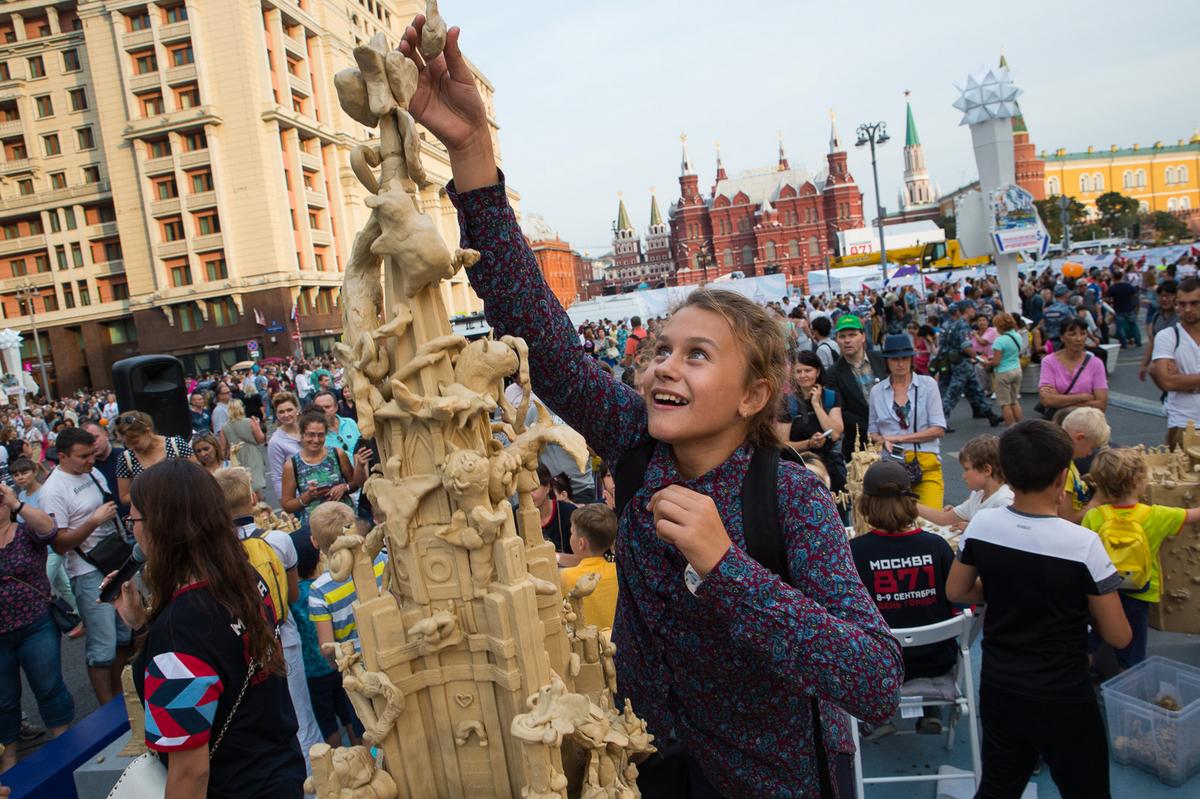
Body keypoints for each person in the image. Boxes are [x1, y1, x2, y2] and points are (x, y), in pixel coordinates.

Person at [405, 17, 902, 791]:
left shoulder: (789, 498)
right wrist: (471, 153)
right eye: (661, 349)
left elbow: (873, 679)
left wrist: (725, 564)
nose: (664, 366)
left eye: (697, 355)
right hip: (654, 772)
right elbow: (540, 334)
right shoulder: (636, 443)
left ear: (753, 394)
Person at [947, 420, 1130, 799]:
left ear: (1006, 473)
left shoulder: (983, 524)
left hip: (1000, 683)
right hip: (1064, 691)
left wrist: (1005, 588)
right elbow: (1118, 635)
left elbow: (958, 590)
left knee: (999, 785)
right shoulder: (1083, 544)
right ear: (1063, 477)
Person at [110, 460, 306, 796]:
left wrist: (154, 633)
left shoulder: (179, 633)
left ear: (161, 527)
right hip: (281, 769)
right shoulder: (247, 578)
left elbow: (191, 773)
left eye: (135, 520)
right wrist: (144, 626)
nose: (133, 529)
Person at [215, 466, 323, 767]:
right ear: (252, 498)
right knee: (301, 717)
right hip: (282, 638)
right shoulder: (278, 541)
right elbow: (290, 596)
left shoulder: (212, 551)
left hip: (239, 649)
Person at [849, 461, 955, 737]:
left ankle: (876, 716)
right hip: (936, 658)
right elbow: (956, 603)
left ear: (867, 505)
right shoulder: (937, 546)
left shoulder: (856, 552)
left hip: (881, 663)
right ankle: (929, 710)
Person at [1081, 448, 1200, 670]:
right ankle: (1131, 681)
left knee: (1090, 639)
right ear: (1138, 482)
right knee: (1133, 647)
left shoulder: (1094, 516)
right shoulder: (1155, 515)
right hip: (1140, 591)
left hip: (1101, 591)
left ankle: (1082, 678)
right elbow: (1193, 515)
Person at [39, 427, 128, 704]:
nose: (91, 459)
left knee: (124, 635)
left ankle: (121, 697)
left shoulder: (91, 471)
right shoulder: (53, 490)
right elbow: (59, 544)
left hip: (116, 559)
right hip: (87, 572)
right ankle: (107, 708)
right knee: (102, 646)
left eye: (92, 453)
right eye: (83, 456)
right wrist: (93, 521)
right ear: (62, 457)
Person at [0, 482, 73, 772]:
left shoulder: (25, 531)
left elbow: (49, 530)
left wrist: (16, 502)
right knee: (4, 700)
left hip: (35, 625)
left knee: (49, 686)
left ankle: (65, 747)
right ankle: (8, 758)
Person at [289, 531, 363, 748]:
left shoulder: (296, 596)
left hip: (314, 671)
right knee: (351, 712)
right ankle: (361, 751)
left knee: (327, 722)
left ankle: (339, 757)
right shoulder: (327, 585)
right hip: (340, 662)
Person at [868, 333, 947, 507]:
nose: (900, 363)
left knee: (930, 521)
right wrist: (882, 440)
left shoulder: (928, 385)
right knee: (896, 524)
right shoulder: (877, 391)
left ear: (912, 359)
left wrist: (896, 438)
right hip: (892, 466)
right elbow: (872, 431)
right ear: (887, 361)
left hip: (925, 462)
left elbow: (938, 429)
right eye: (895, 359)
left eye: (905, 358)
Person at [307, 502, 386, 655]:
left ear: (314, 542)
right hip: (394, 643)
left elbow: (328, 648)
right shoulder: (380, 559)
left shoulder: (319, 590)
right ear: (355, 528)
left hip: (356, 665)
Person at [775, 351, 845, 494]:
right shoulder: (787, 402)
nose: (803, 375)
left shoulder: (830, 397)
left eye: (808, 370)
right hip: (801, 466)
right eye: (798, 371)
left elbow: (836, 433)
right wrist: (808, 443)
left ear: (818, 371)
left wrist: (817, 405)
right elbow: (781, 442)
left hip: (830, 465)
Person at [280, 411, 366, 525]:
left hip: (345, 521)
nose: (316, 440)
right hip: (316, 527)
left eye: (321, 435)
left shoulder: (337, 454)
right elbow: (287, 505)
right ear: (302, 434)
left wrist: (344, 487)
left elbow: (355, 483)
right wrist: (308, 496)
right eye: (311, 434)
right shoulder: (292, 465)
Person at [916, 435, 1013, 529]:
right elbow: (943, 518)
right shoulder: (977, 495)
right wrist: (911, 504)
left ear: (987, 470)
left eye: (967, 469)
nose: (963, 476)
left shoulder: (1004, 501)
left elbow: (1005, 536)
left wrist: (972, 528)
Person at [824, 314, 886, 460]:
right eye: (842, 336)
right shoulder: (833, 373)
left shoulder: (881, 360)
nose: (847, 340)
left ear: (863, 336)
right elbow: (841, 411)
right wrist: (872, 431)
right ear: (837, 340)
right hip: (859, 443)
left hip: (892, 434)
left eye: (852, 335)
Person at [1150, 276, 1200, 450]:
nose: (1188, 309)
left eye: (1194, 303)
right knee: (1182, 474)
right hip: (1183, 421)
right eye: (1182, 304)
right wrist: (1174, 380)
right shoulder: (1167, 336)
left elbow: (1172, 380)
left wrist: (1183, 380)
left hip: (1184, 413)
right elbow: (1167, 381)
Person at [113, 411, 195, 507]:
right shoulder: (125, 459)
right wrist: (151, 493)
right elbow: (124, 498)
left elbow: (198, 475)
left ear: (147, 431)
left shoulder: (176, 444)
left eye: (135, 442)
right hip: (153, 516)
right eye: (127, 444)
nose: (131, 447)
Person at [939, 303, 1002, 427]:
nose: (974, 311)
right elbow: (966, 346)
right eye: (973, 308)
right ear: (967, 309)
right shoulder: (963, 325)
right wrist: (979, 358)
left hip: (950, 360)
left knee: (975, 388)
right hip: (961, 362)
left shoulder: (948, 325)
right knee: (954, 392)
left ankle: (989, 414)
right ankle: (940, 420)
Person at [558, 503, 619, 629]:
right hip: (617, 641)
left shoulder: (565, 577)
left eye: (572, 533)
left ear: (581, 544)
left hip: (585, 645)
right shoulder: (619, 570)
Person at [1037, 318, 1108, 414]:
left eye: (1083, 334)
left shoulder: (1096, 363)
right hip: (1059, 423)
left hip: (1087, 421)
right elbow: (1046, 400)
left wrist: (1059, 400)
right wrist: (1083, 397)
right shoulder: (1049, 361)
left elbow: (1101, 405)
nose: (1079, 339)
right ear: (1062, 337)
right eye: (1072, 334)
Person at [220, 400, 267, 497]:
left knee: (241, 483)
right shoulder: (250, 422)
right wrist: (257, 425)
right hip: (252, 453)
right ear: (241, 408)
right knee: (254, 481)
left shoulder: (224, 427)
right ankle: (258, 502)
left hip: (235, 455)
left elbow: (223, 448)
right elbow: (261, 439)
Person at [533, 464, 577, 561]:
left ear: (548, 487)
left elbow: (583, 558)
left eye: (533, 489)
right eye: (522, 491)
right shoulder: (515, 515)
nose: (528, 495)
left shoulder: (569, 512)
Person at [988, 313, 1024, 426]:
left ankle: (1011, 428)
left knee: (1005, 403)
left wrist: (987, 363)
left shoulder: (1000, 341)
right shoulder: (1017, 336)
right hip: (1016, 369)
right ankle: (1021, 425)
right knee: (1014, 400)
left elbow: (996, 362)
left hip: (1003, 372)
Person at [267, 391, 303, 501]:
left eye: (289, 410)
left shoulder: (309, 428)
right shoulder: (275, 442)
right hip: (298, 498)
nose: (286, 415)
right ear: (276, 415)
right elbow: (277, 477)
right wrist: (287, 505)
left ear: (297, 409)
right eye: (281, 412)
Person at [1139, 279, 1176, 382]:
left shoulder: (1182, 317)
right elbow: (1152, 342)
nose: (1164, 299)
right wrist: (1143, 364)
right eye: (1161, 296)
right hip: (1165, 367)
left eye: (1168, 296)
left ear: (1176, 297)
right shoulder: (1157, 317)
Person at [311, 391, 359, 456]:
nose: (323, 411)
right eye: (318, 408)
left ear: (336, 407)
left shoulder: (350, 422)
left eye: (327, 407)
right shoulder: (314, 435)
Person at [1107, 270, 1142, 348]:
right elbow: (1134, 295)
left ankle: (1124, 343)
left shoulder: (1112, 288)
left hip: (1119, 309)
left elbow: (1108, 299)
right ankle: (1138, 341)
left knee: (1120, 328)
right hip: (1129, 308)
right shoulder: (1128, 286)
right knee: (1134, 326)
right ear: (1121, 277)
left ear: (1113, 278)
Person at [1038, 284, 1074, 353]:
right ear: (1065, 294)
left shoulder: (1047, 310)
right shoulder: (1067, 309)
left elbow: (1044, 327)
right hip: (1065, 344)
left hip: (1050, 343)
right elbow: (1074, 326)